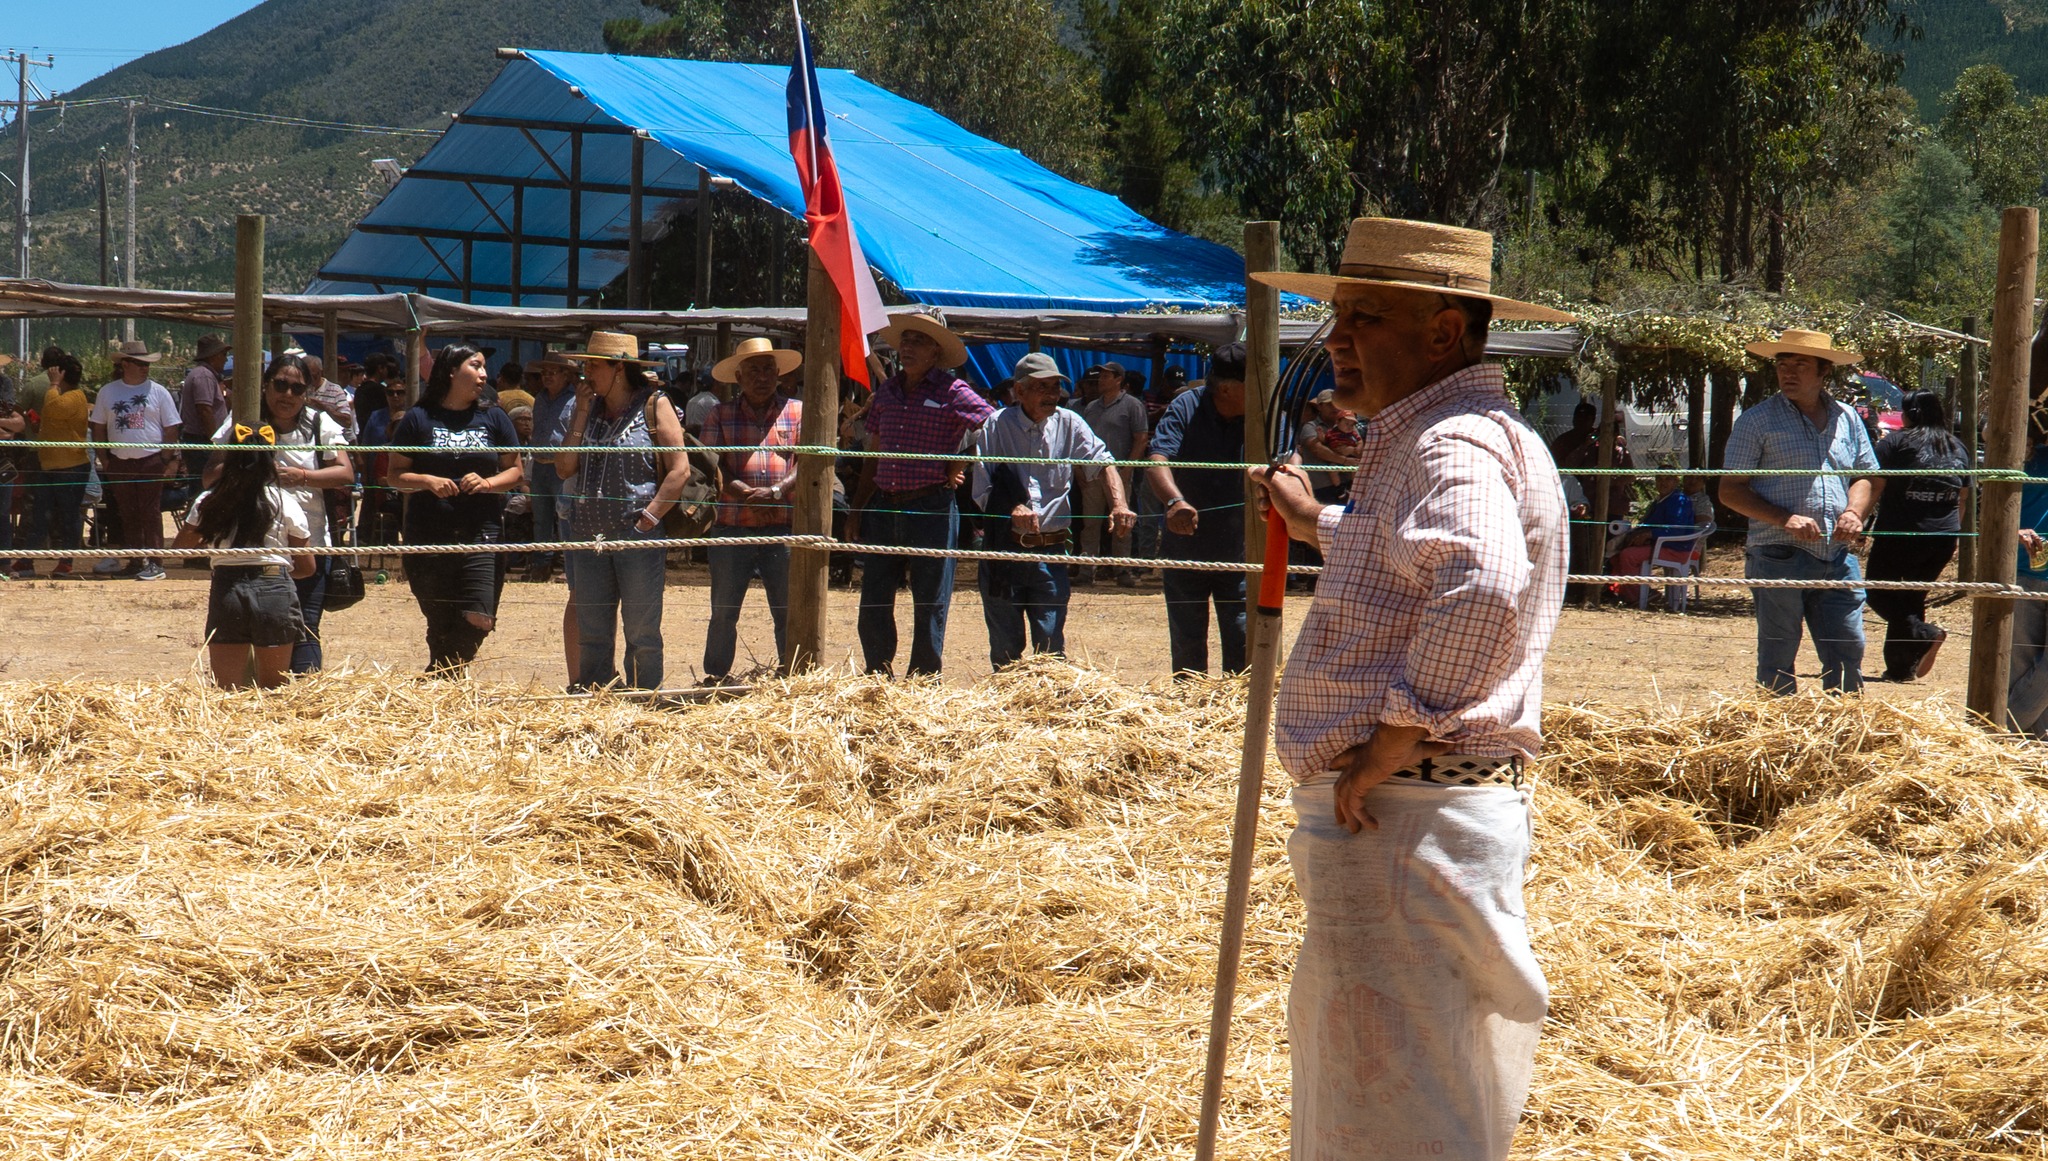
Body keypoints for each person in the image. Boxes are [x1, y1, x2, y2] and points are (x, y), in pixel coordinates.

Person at [1251, 216, 1572, 1161]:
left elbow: (1480, 581)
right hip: (1421, 816)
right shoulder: (1481, 438)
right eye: (1338, 313)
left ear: (1443, 331)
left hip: (1399, 814)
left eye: (1367, 316)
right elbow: (1415, 555)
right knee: (1421, 1089)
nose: (1339, 337)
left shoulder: (1447, 445)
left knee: (1384, 1108)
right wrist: (1319, 523)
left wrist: (1396, 734)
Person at [1719, 329, 1879, 694]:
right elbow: (1730, 491)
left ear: (1825, 371)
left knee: (1848, 648)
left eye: (1800, 365)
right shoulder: (1756, 421)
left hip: (1837, 555)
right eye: (1782, 365)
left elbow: (1867, 477)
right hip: (1777, 555)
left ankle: (1845, 729)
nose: (1788, 372)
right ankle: (1778, 731)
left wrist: (1855, 512)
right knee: (1778, 653)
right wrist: (1783, 518)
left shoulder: (1848, 418)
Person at [847, 310, 995, 677]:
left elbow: (993, 427)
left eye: (919, 341)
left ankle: (923, 678)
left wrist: (960, 463)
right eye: (906, 340)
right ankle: (877, 672)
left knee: (930, 598)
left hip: (931, 505)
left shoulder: (954, 391)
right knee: (874, 596)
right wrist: (857, 509)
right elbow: (874, 455)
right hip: (884, 503)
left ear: (935, 352)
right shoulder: (887, 392)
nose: (909, 347)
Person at [974, 353, 1135, 668]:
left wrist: (1119, 503)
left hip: (1052, 552)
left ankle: (1045, 711)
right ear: (1019, 392)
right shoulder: (996, 425)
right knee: (1006, 650)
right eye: (1041, 387)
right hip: (1004, 553)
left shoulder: (1070, 421)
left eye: (1055, 387)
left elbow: (1103, 461)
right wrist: (1013, 508)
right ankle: (1008, 710)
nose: (1052, 395)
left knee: (1051, 649)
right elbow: (981, 489)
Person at [556, 331, 694, 691]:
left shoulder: (654, 404)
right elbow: (564, 468)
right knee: (593, 627)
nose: (586, 375)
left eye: (593, 366)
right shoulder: (582, 407)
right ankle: (596, 694)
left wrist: (649, 517)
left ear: (619, 368)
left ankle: (644, 699)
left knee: (641, 627)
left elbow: (680, 469)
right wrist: (582, 412)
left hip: (637, 534)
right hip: (587, 532)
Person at [206, 353, 354, 674]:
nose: (287, 395)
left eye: (297, 389)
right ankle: (253, 696)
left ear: (308, 394)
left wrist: (302, 477)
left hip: (308, 544)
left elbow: (345, 473)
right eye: (281, 385)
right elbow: (209, 476)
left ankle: (302, 695)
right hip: (249, 552)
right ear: (266, 385)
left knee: (306, 625)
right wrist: (251, 465)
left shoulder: (319, 424)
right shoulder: (242, 424)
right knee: (243, 630)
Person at [389, 344, 524, 676]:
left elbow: (516, 470)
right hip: (428, 532)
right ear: (451, 370)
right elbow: (394, 476)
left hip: (483, 532)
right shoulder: (418, 418)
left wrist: (489, 483)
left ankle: (437, 676)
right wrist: (427, 480)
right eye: (475, 366)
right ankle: (445, 687)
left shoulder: (494, 416)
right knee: (441, 621)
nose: (483, 374)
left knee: (480, 617)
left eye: (483, 368)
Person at [174, 425, 315, 690]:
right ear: (272, 460)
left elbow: (182, 547)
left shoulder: (210, 500)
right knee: (274, 691)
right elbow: (307, 566)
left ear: (228, 459)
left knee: (227, 693)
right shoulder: (285, 502)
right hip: (274, 588)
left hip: (227, 589)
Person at [701, 336, 804, 683]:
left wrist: (776, 491)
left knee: (788, 610)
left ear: (779, 374)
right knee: (724, 610)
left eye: (768, 370)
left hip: (783, 527)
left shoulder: (798, 411)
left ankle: (792, 674)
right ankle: (716, 677)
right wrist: (745, 492)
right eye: (754, 370)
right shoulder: (720, 414)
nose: (762, 377)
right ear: (739, 377)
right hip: (732, 526)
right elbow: (711, 465)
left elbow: (807, 463)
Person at [1146, 342, 1249, 676]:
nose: (1263, 390)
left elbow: (1291, 458)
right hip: (1186, 546)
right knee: (1188, 641)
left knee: (1243, 638)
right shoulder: (1185, 407)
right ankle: (1190, 712)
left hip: (1242, 550)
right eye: (1255, 383)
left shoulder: (1263, 412)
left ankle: (1242, 714)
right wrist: (1175, 502)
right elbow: (1158, 460)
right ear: (1226, 388)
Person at [1864, 390, 1966, 681]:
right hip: (1943, 537)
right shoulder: (1958, 446)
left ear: (1910, 414)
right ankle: (1901, 668)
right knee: (1910, 599)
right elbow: (1964, 495)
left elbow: (1874, 485)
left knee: (1878, 592)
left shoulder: (1895, 442)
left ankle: (1925, 634)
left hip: (1901, 535)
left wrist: (1858, 522)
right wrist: (1955, 534)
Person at [88, 340, 183, 581]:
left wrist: (165, 458)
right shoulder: (108, 392)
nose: (145, 368)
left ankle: (155, 561)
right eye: (140, 363)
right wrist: (105, 459)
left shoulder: (159, 392)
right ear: (125, 364)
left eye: (147, 363)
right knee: (127, 512)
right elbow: (98, 427)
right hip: (119, 460)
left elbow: (172, 428)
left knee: (150, 512)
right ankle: (134, 559)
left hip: (150, 459)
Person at [1078, 358, 1149, 586]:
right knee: (1090, 523)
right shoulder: (1091, 407)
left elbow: (1141, 439)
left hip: (1119, 473)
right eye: (1100, 375)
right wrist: (1079, 470)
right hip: (1092, 473)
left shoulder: (1132, 405)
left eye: (1107, 375)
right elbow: (1081, 442)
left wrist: (1128, 469)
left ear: (1119, 380)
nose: (1101, 379)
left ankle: (1122, 569)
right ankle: (1087, 570)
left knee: (1122, 521)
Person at [2010, 317, 2048, 733]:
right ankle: (2030, 753)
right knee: (2020, 662)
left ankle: (2000, 731)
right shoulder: (2030, 444)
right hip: (2026, 560)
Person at [26, 350, 91, 578]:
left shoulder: (75, 397)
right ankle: (26, 561)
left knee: (69, 515)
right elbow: (53, 418)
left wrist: (53, 385)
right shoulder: (65, 397)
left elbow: (53, 408)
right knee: (39, 514)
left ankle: (67, 561)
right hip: (50, 465)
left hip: (70, 467)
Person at [525, 351, 580, 583]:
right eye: (544, 373)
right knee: (541, 518)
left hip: (563, 467)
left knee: (565, 516)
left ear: (566, 375)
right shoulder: (539, 398)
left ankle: (570, 566)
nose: (547, 377)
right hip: (539, 464)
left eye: (553, 373)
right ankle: (541, 565)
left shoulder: (575, 400)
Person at [1609, 473, 1698, 606]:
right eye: (1659, 479)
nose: (1663, 483)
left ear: (1676, 481)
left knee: (1629, 555)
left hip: (1676, 548)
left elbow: (1677, 530)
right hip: (1660, 545)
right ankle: (1624, 592)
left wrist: (1649, 535)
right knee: (1616, 552)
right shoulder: (1660, 501)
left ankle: (1637, 597)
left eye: (1668, 479)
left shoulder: (1679, 500)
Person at [177, 335, 231, 546]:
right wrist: (215, 442)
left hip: (200, 440)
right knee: (204, 494)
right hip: (202, 442)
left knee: (203, 492)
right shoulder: (204, 377)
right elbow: (204, 409)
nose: (226, 359)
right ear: (214, 356)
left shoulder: (205, 375)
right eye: (224, 354)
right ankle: (196, 545)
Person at [302, 354, 358, 440]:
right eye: (307, 376)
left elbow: (347, 422)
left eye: (314, 376)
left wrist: (324, 407)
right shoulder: (300, 389)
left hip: (335, 441)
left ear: (321, 372)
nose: (311, 380)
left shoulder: (335, 390)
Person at [683, 371, 724, 437]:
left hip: (690, 441)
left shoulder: (691, 401)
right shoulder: (713, 403)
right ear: (715, 384)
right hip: (705, 442)